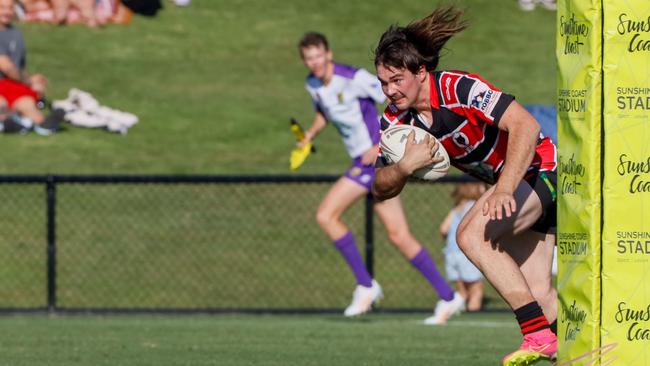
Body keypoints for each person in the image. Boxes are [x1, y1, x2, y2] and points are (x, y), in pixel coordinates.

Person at [371, 7, 557, 365]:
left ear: (421, 71)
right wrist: (405, 167)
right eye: (383, 82)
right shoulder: (396, 120)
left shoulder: (459, 87)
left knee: (470, 235)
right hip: (518, 186)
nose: (389, 90)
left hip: (543, 167)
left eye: (396, 80)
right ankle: (576, 354)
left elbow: (526, 127)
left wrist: (503, 189)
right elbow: (380, 187)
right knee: (537, 292)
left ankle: (535, 336)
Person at [297, 32, 464, 321]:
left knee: (326, 215)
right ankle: (449, 297)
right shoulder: (312, 85)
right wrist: (310, 134)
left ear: (328, 53)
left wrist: (379, 145)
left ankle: (365, 285)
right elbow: (325, 112)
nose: (314, 62)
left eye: (318, 55)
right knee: (399, 235)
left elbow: (394, 102)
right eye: (308, 58)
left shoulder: (353, 77)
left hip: (373, 162)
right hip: (363, 163)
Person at [0, 0, 60, 135]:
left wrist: (32, 84)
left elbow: (20, 67)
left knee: (27, 104)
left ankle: (44, 125)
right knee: (1, 104)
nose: (7, 11)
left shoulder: (16, 33)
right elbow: (7, 67)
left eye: (10, 8)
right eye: (2, 7)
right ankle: (8, 122)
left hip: (13, 84)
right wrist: (29, 81)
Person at [440, 181, 486, 312]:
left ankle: (453, 312)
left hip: (451, 254)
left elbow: (443, 229)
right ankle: (474, 314)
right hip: (467, 255)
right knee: (476, 290)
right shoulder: (475, 207)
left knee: (463, 291)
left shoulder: (456, 209)